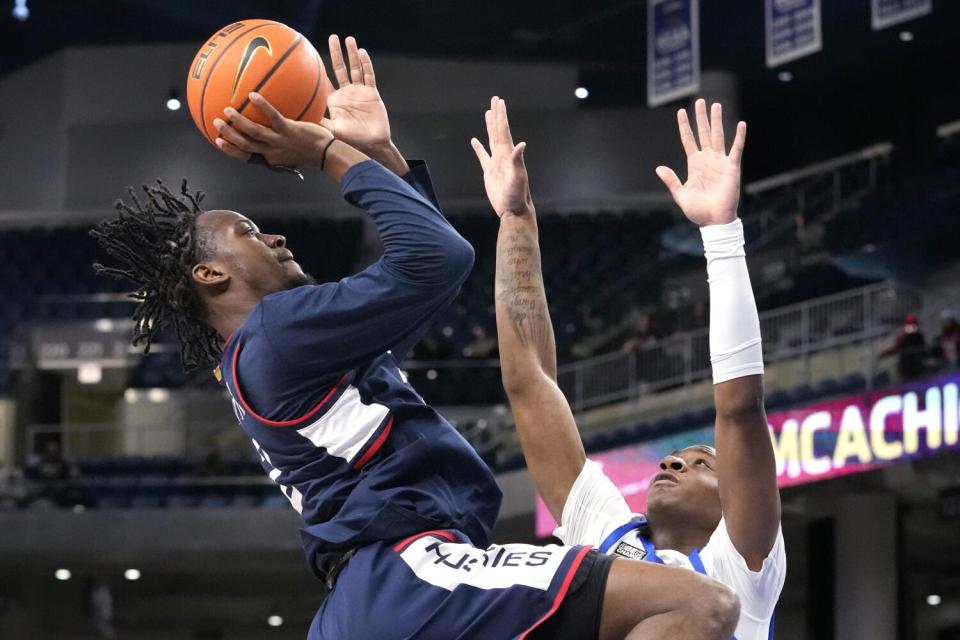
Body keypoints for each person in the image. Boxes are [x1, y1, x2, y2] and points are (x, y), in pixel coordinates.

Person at [94, 37, 737, 640]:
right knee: (697, 602)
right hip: (406, 576)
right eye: (251, 233)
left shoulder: (283, 351)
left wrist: (382, 157)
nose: (276, 237)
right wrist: (323, 152)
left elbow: (423, 282)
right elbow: (437, 257)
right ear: (209, 274)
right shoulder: (276, 335)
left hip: (379, 597)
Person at [473, 97, 785, 640]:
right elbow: (529, 385)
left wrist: (721, 235)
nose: (673, 462)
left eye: (701, 463)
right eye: (680, 457)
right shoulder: (607, 532)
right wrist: (515, 219)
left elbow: (738, 409)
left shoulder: (744, 570)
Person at [879, 313, 927, 380]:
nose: (911, 328)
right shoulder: (903, 338)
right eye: (909, 326)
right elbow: (896, 348)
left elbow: (923, 349)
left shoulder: (919, 337)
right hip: (906, 368)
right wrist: (884, 354)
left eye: (913, 326)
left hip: (917, 367)